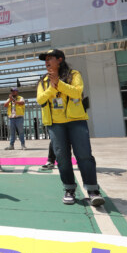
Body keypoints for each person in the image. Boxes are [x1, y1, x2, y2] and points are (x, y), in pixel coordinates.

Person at [36, 49, 105, 207]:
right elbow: (40, 99)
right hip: (55, 124)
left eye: (50, 58)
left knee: (84, 156)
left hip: (76, 121)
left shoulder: (74, 74)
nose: (46, 62)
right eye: (45, 59)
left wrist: (59, 84)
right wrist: (52, 87)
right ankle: (69, 189)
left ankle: (93, 191)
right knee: (62, 158)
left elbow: (77, 92)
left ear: (60, 59)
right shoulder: (43, 81)